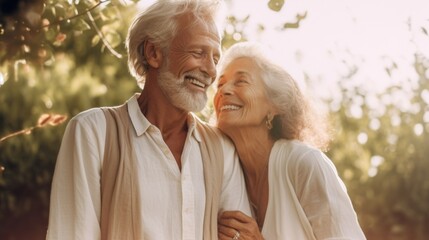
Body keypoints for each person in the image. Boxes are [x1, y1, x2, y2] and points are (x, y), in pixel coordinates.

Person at [46, 1, 251, 239]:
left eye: (215, 58)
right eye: (198, 53)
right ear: (153, 53)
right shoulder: (93, 132)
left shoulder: (222, 150)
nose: (211, 70)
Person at [214, 42, 366, 240]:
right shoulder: (223, 170)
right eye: (220, 84)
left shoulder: (306, 163)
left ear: (274, 105)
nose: (224, 90)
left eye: (241, 81)